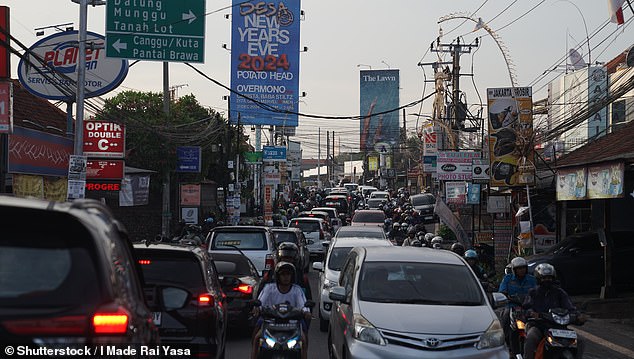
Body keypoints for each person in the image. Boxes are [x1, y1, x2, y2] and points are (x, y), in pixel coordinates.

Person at [522, 263, 584, 359]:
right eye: (544, 278)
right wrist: (532, 313)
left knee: (580, 341)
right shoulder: (533, 293)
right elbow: (526, 307)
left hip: (559, 328)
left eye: (549, 278)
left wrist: (578, 316)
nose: (547, 280)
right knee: (531, 337)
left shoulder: (560, 293)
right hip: (540, 327)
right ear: (539, 279)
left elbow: (570, 308)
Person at [251, 262, 311, 359]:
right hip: (270, 322)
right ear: (278, 276)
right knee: (257, 337)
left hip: (292, 323)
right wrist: (257, 308)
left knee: (303, 339)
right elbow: (260, 302)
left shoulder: (297, 290)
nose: (286, 277)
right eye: (283, 274)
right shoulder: (269, 288)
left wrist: (306, 312)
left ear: (292, 276)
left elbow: (303, 304)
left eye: (288, 274)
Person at [498, 257, 537, 354]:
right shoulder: (508, 279)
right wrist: (505, 295)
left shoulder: (531, 279)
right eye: (519, 268)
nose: (522, 270)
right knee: (506, 316)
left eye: (523, 268)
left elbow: (538, 292)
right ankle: (505, 341)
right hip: (512, 306)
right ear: (514, 270)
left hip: (528, 306)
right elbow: (502, 291)